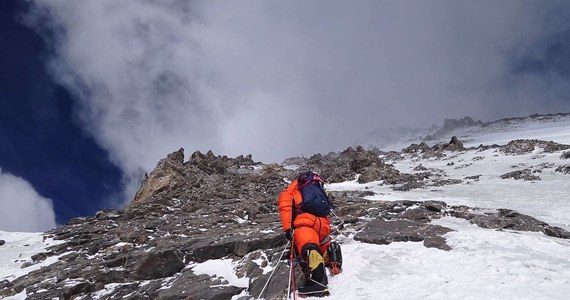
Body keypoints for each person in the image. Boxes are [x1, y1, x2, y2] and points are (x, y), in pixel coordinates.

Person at [277, 172, 331, 296]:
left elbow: (285, 206)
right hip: (323, 224)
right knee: (319, 245)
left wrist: (288, 229)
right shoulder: (317, 189)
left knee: (309, 246)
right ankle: (329, 256)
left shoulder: (292, 191)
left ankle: (318, 283)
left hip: (305, 223)